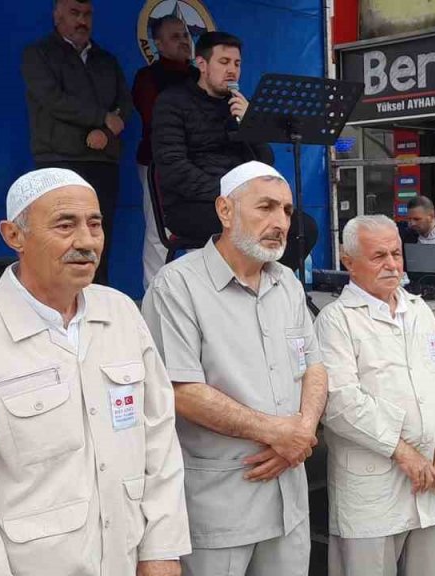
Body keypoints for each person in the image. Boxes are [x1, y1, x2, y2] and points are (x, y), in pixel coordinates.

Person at [0, 168, 190, 575]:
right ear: (13, 235)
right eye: (65, 225)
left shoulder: (123, 314)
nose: (86, 241)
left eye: (95, 224)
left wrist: (161, 549)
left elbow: (159, 441)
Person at [141, 161, 327, 576]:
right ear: (225, 211)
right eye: (266, 207)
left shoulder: (287, 283)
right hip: (221, 507)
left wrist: (301, 431)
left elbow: (314, 366)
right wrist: (278, 433)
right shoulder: (177, 285)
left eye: (286, 210)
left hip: (288, 502)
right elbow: (181, 391)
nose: (281, 222)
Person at [315, 215, 435, 576]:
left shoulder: (419, 311)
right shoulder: (336, 320)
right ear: (348, 262)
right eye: (379, 256)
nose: (392, 265)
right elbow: (340, 402)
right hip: (373, 490)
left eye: (396, 253)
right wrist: (403, 451)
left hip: (430, 482)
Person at [22, 0, 132, 285]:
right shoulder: (38, 54)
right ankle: (57, 305)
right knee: (60, 241)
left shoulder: (107, 60)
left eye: (87, 14)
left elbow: (124, 105)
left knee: (98, 241)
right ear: (57, 16)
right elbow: (53, 100)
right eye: (74, 13)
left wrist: (105, 133)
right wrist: (100, 118)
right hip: (58, 160)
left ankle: (97, 303)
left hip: (102, 162)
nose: (82, 20)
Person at [153, 31, 274, 241]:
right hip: (191, 204)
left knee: (302, 227)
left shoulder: (240, 105)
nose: (232, 70)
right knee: (251, 225)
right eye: (224, 62)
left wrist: (251, 124)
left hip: (240, 200)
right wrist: (227, 192)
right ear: (202, 64)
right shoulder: (172, 102)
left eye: (237, 64)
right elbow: (173, 166)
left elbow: (266, 162)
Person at [133, 15, 199, 289]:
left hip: (199, 165)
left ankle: (202, 298)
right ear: (158, 44)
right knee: (160, 233)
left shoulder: (199, 75)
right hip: (159, 164)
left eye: (185, 35)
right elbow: (156, 119)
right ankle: (154, 298)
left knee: (203, 231)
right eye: (175, 36)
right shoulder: (148, 77)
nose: (184, 41)